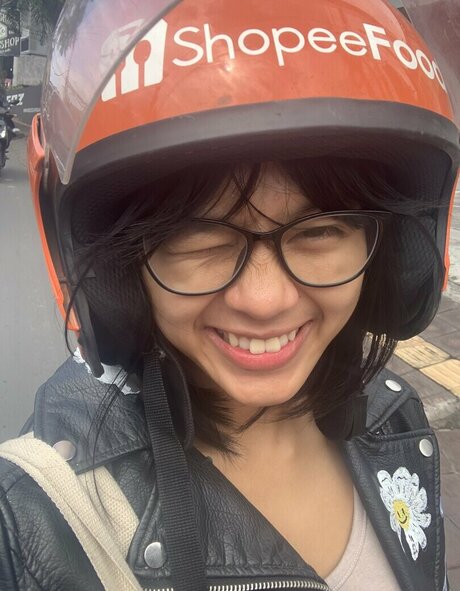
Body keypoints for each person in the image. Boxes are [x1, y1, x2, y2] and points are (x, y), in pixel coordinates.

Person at [0, 0, 459, 590]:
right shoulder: (35, 521)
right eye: (199, 238)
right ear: (117, 269)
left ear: (393, 252)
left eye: (320, 231)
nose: (265, 301)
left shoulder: (395, 418)